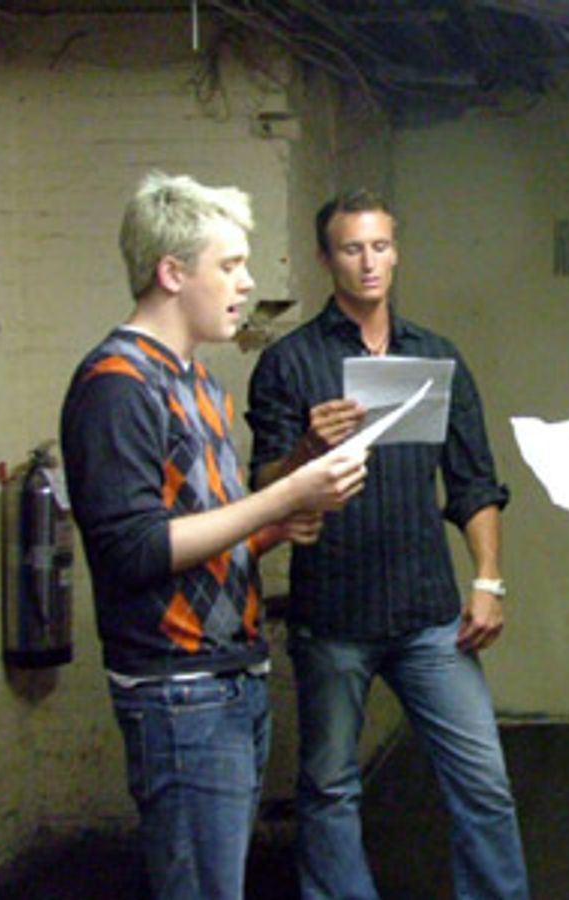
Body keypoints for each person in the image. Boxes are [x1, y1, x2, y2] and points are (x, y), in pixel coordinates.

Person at [60, 172, 367, 900]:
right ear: (171, 272)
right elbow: (132, 552)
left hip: (229, 676)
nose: (247, 282)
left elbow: (206, 537)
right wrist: (280, 496)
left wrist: (275, 523)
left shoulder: (196, 382)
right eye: (229, 265)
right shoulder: (116, 384)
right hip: (178, 689)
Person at [245, 188, 529, 899]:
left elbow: (474, 481)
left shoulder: (436, 357)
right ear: (325, 258)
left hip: (429, 614)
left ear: (396, 251)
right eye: (351, 249)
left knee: (484, 784)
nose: (368, 263)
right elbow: (261, 489)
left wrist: (488, 579)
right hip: (332, 615)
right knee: (330, 786)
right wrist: (309, 445)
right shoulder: (289, 364)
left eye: (380, 246)